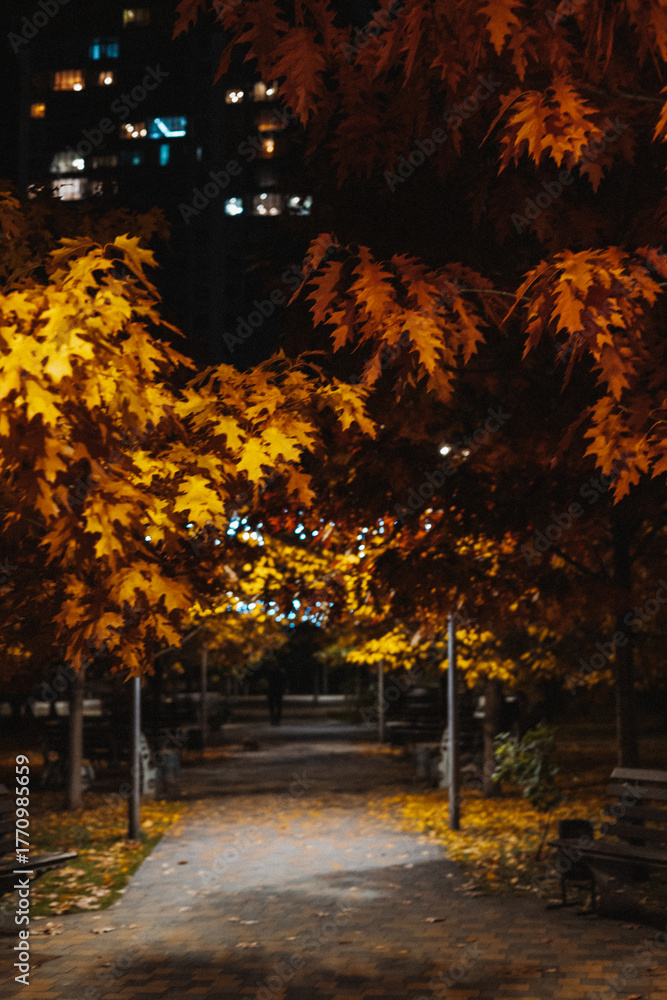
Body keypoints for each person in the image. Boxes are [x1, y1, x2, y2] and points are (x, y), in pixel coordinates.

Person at [263, 653, 287, 725]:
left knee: (277, 705)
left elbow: (284, 680)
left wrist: (285, 688)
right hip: (272, 690)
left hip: (277, 690)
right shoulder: (270, 671)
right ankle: (274, 719)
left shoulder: (279, 671)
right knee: (273, 706)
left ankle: (276, 719)